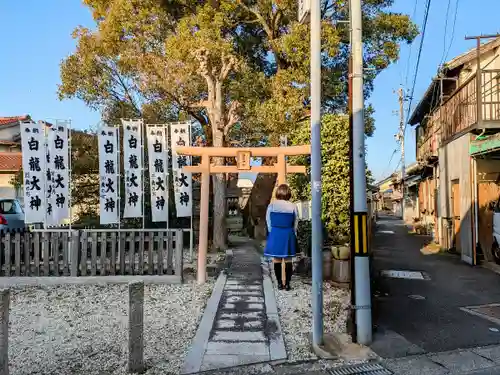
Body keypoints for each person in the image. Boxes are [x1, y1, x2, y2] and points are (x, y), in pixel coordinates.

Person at [264, 184, 298, 291]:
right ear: (288, 193)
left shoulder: (272, 205)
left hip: (276, 232)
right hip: (288, 233)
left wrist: (272, 232)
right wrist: (293, 232)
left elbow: (268, 221)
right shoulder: (293, 206)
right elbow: (296, 222)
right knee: (288, 259)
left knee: (276, 259)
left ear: (278, 192)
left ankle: (279, 283)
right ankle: (287, 284)